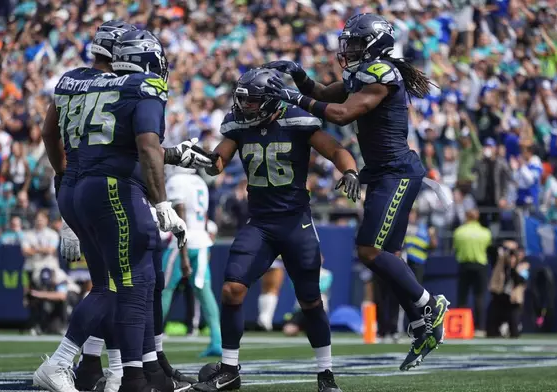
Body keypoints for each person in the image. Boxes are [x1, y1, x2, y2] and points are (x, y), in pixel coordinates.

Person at [264, 13, 449, 370]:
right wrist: (298, 75)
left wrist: (290, 96)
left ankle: (428, 304)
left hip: (396, 174)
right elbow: (321, 93)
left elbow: (341, 114)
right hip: (381, 174)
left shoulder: (382, 74)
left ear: (375, 44)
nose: (348, 49)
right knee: (389, 255)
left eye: (355, 43)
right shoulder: (363, 73)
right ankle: (422, 326)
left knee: (369, 250)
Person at [36, 22, 205, 392]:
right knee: (126, 283)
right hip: (110, 190)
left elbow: (54, 134)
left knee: (116, 282)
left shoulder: (73, 81)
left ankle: (116, 369)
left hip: (75, 186)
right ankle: (78, 363)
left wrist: (65, 176)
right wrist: (162, 200)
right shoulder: (136, 86)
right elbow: (141, 148)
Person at [196, 67, 362, 392]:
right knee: (232, 289)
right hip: (259, 222)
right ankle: (229, 370)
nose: (245, 107)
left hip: (295, 222)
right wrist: (192, 157)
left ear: (271, 101)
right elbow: (217, 164)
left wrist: (351, 171)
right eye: (243, 100)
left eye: (253, 101)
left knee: (311, 300)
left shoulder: (297, 120)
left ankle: (325, 373)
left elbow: (336, 150)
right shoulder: (238, 125)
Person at [161, 167, 221, 358]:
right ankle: (217, 341)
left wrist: (183, 251)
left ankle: (147, 340)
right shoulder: (199, 182)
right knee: (205, 293)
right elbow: (203, 218)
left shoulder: (176, 181)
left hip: (182, 243)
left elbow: (180, 214)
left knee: (164, 289)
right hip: (202, 242)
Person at [453, 208, 492, 335]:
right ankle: (479, 328)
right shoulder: (485, 232)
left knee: (462, 297)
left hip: (464, 265)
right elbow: (487, 248)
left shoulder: (459, 232)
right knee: (479, 297)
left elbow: (456, 248)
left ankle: (459, 327)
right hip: (480, 266)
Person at [487, 241, 529, 338]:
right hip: (499, 299)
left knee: (514, 333)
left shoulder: (523, 267)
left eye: (514, 256)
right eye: (510, 255)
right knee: (491, 332)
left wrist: (514, 269)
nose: (512, 259)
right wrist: (504, 245)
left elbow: (521, 281)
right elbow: (490, 249)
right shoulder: (500, 263)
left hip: (513, 303)